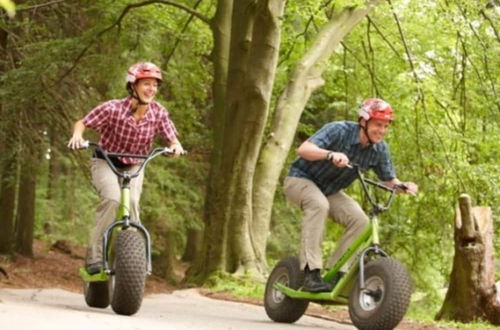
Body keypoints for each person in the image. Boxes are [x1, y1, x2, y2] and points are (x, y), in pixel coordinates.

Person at [284, 98, 418, 293]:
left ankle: (335, 274)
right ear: (363, 122)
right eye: (378, 124)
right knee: (319, 205)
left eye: (386, 126)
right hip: (300, 180)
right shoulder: (339, 130)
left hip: (330, 191)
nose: (382, 130)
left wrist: (403, 186)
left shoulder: (379, 149)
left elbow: (389, 180)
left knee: (361, 221)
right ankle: (310, 272)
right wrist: (330, 154)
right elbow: (303, 149)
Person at [67, 62, 184, 275]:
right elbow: (82, 123)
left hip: (135, 164)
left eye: (155, 85)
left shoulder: (158, 112)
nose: (152, 89)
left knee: (131, 203)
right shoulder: (112, 108)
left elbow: (171, 137)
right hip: (106, 161)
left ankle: (137, 261)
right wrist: (78, 135)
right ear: (133, 86)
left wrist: (175, 145)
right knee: (113, 200)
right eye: (146, 84)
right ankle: (94, 255)